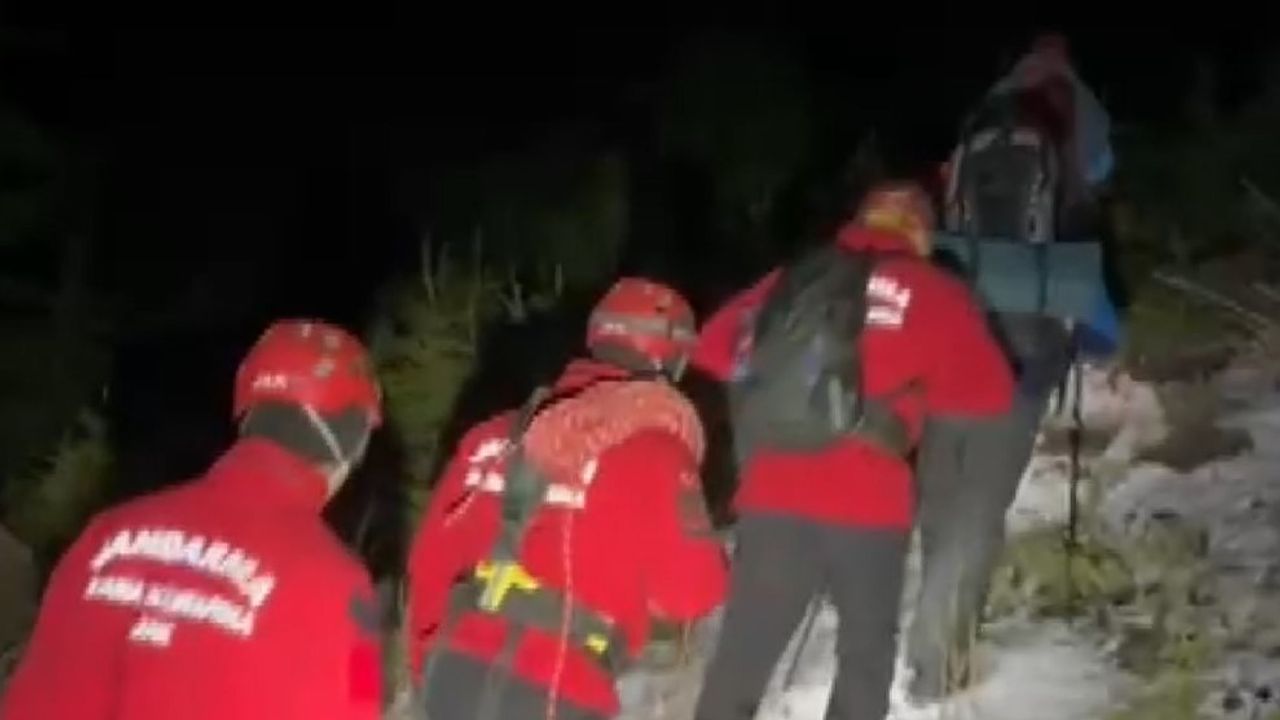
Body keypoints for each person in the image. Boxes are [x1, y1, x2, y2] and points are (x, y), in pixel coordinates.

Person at [688, 182, 1015, 720]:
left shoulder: (795, 277)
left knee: (741, 659)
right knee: (864, 658)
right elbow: (992, 392)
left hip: (773, 493)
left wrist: (780, 388)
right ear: (921, 233)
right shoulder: (935, 291)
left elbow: (712, 345)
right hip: (869, 505)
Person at [1, 319, 386, 720]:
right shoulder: (343, 587)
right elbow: (361, 703)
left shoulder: (106, 535)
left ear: (246, 412)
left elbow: (31, 698)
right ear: (354, 443)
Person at [405, 277, 729, 720]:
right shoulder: (657, 450)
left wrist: (428, 668)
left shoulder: (493, 435)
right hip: (560, 691)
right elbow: (693, 593)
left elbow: (428, 563)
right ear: (674, 360)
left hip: (453, 678)